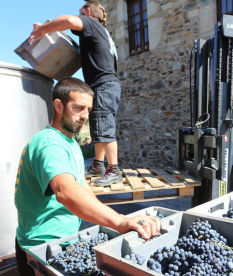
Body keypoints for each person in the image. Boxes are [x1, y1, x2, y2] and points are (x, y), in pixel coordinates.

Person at [14, 77, 160, 276]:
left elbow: (81, 187)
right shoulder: (49, 144)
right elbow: (65, 191)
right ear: (58, 105)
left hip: (66, 241)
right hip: (42, 249)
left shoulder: (70, 143)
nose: (84, 116)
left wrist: (110, 217)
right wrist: (119, 222)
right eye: (78, 108)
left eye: (88, 110)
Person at [29, 1, 122, 186]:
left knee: (105, 127)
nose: (78, 16)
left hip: (103, 85)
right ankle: (98, 165)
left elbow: (70, 21)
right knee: (98, 125)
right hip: (103, 86)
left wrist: (44, 29)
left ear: (87, 12)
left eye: (80, 13)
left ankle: (114, 169)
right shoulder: (102, 32)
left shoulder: (92, 24)